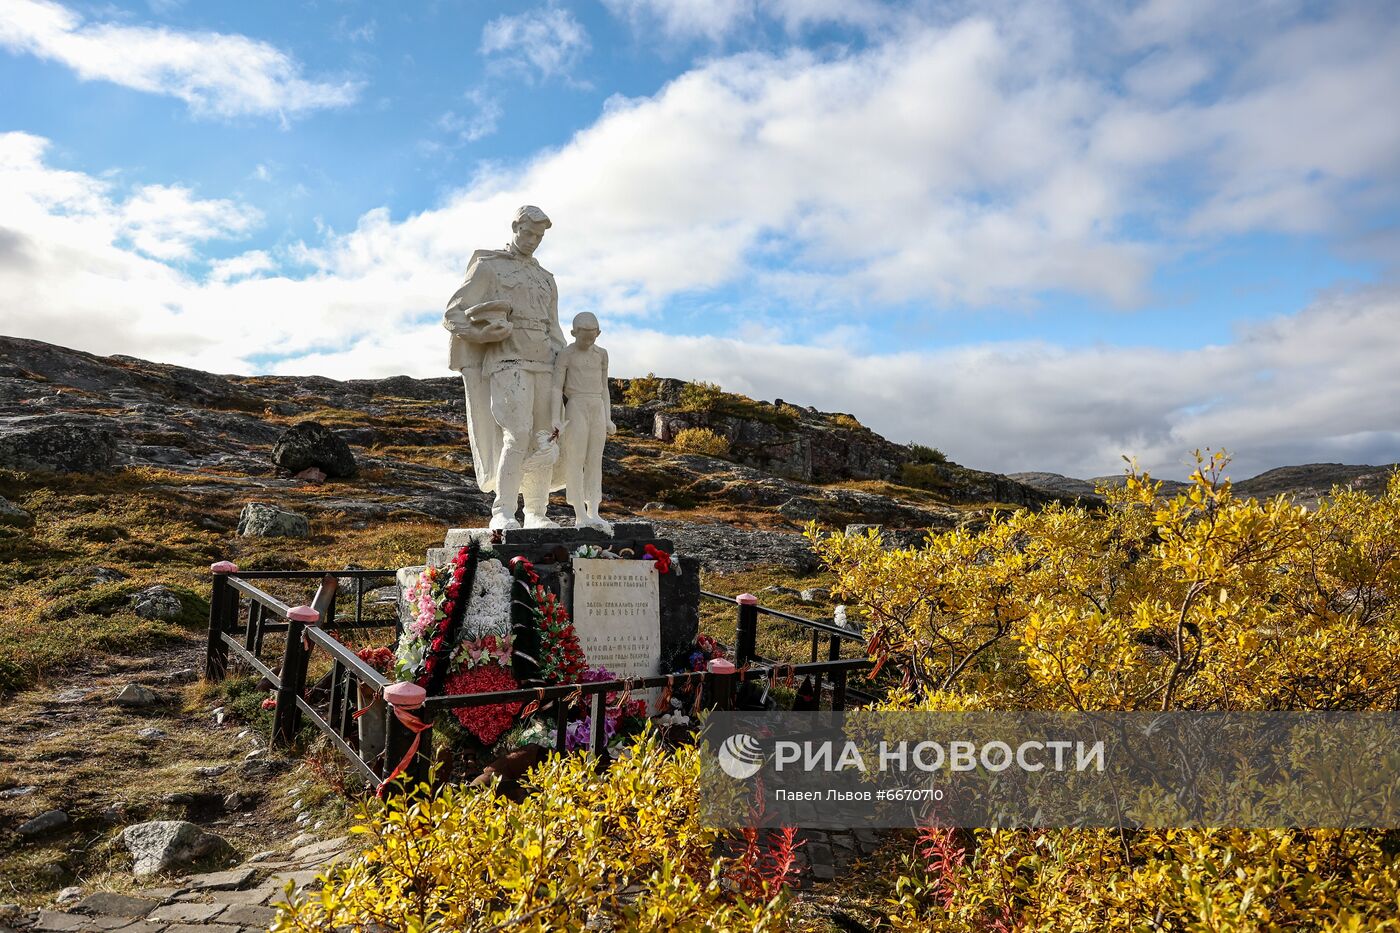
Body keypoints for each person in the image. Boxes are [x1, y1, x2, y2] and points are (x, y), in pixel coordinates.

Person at [444, 206, 566, 530]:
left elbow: (554, 329)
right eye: (529, 233)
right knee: (517, 434)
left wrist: (569, 368)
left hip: (544, 363)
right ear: (515, 227)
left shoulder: (546, 279)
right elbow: (453, 314)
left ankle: (537, 513)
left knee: (544, 439)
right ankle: (504, 512)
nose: (534, 241)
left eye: (539, 237)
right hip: (506, 361)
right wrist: (482, 334)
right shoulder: (488, 266)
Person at [552, 312, 616, 532]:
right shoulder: (566, 354)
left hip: (596, 405)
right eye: (584, 337)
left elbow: (605, 387)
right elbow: (555, 387)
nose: (589, 341)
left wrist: (608, 417)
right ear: (574, 333)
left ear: (598, 333)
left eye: (593, 337)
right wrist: (555, 418)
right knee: (575, 460)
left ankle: (594, 511)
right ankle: (579, 512)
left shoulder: (602, 354)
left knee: (594, 460)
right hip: (576, 404)